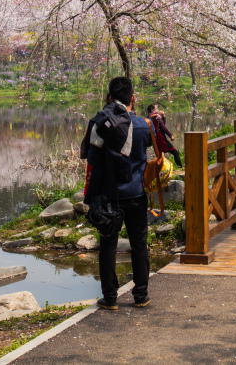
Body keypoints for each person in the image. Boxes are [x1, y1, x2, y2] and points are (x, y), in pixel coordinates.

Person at [84, 77, 151, 310]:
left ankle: (110, 298)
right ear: (133, 98)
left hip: (111, 196)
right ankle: (141, 296)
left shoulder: (103, 124)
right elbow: (150, 155)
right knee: (139, 244)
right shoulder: (144, 125)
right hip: (137, 194)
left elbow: (92, 160)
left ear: (110, 98)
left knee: (108, 246)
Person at [147, 103, 182, 168]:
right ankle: (180, 167)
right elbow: (163, 127)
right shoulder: (156, 116)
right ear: (152, 109)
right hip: (161, 138)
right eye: (156, 108)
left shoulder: (149, 117)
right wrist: (170, 135)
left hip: (154, 139)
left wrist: (163, 116)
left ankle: (160, 171)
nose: (158, 109)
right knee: (175, 152)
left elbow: (161, 125)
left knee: (160, 156)